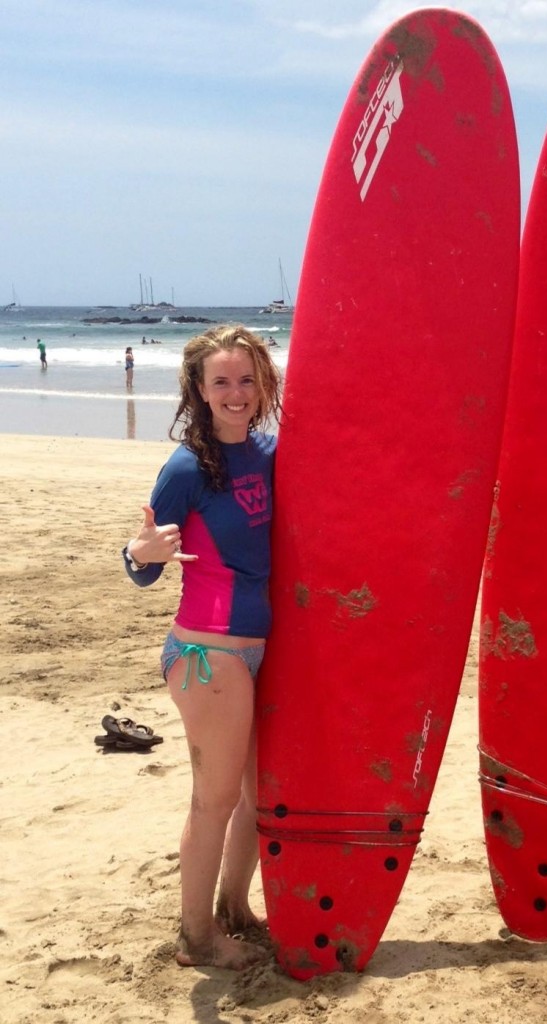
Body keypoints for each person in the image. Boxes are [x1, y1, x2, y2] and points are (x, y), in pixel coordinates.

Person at [121, 324, 281, 969]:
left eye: (247, 379)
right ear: (199, 389)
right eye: (222, 381)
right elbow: (142, 564)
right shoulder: (188, 466)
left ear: (263, 383)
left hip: (257, 647)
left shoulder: (271, 452)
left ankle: (234, 910)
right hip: (207, 653)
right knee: (214, 800)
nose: (236, 392)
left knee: (256, 796)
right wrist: (140, 553)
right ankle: (196, 939)